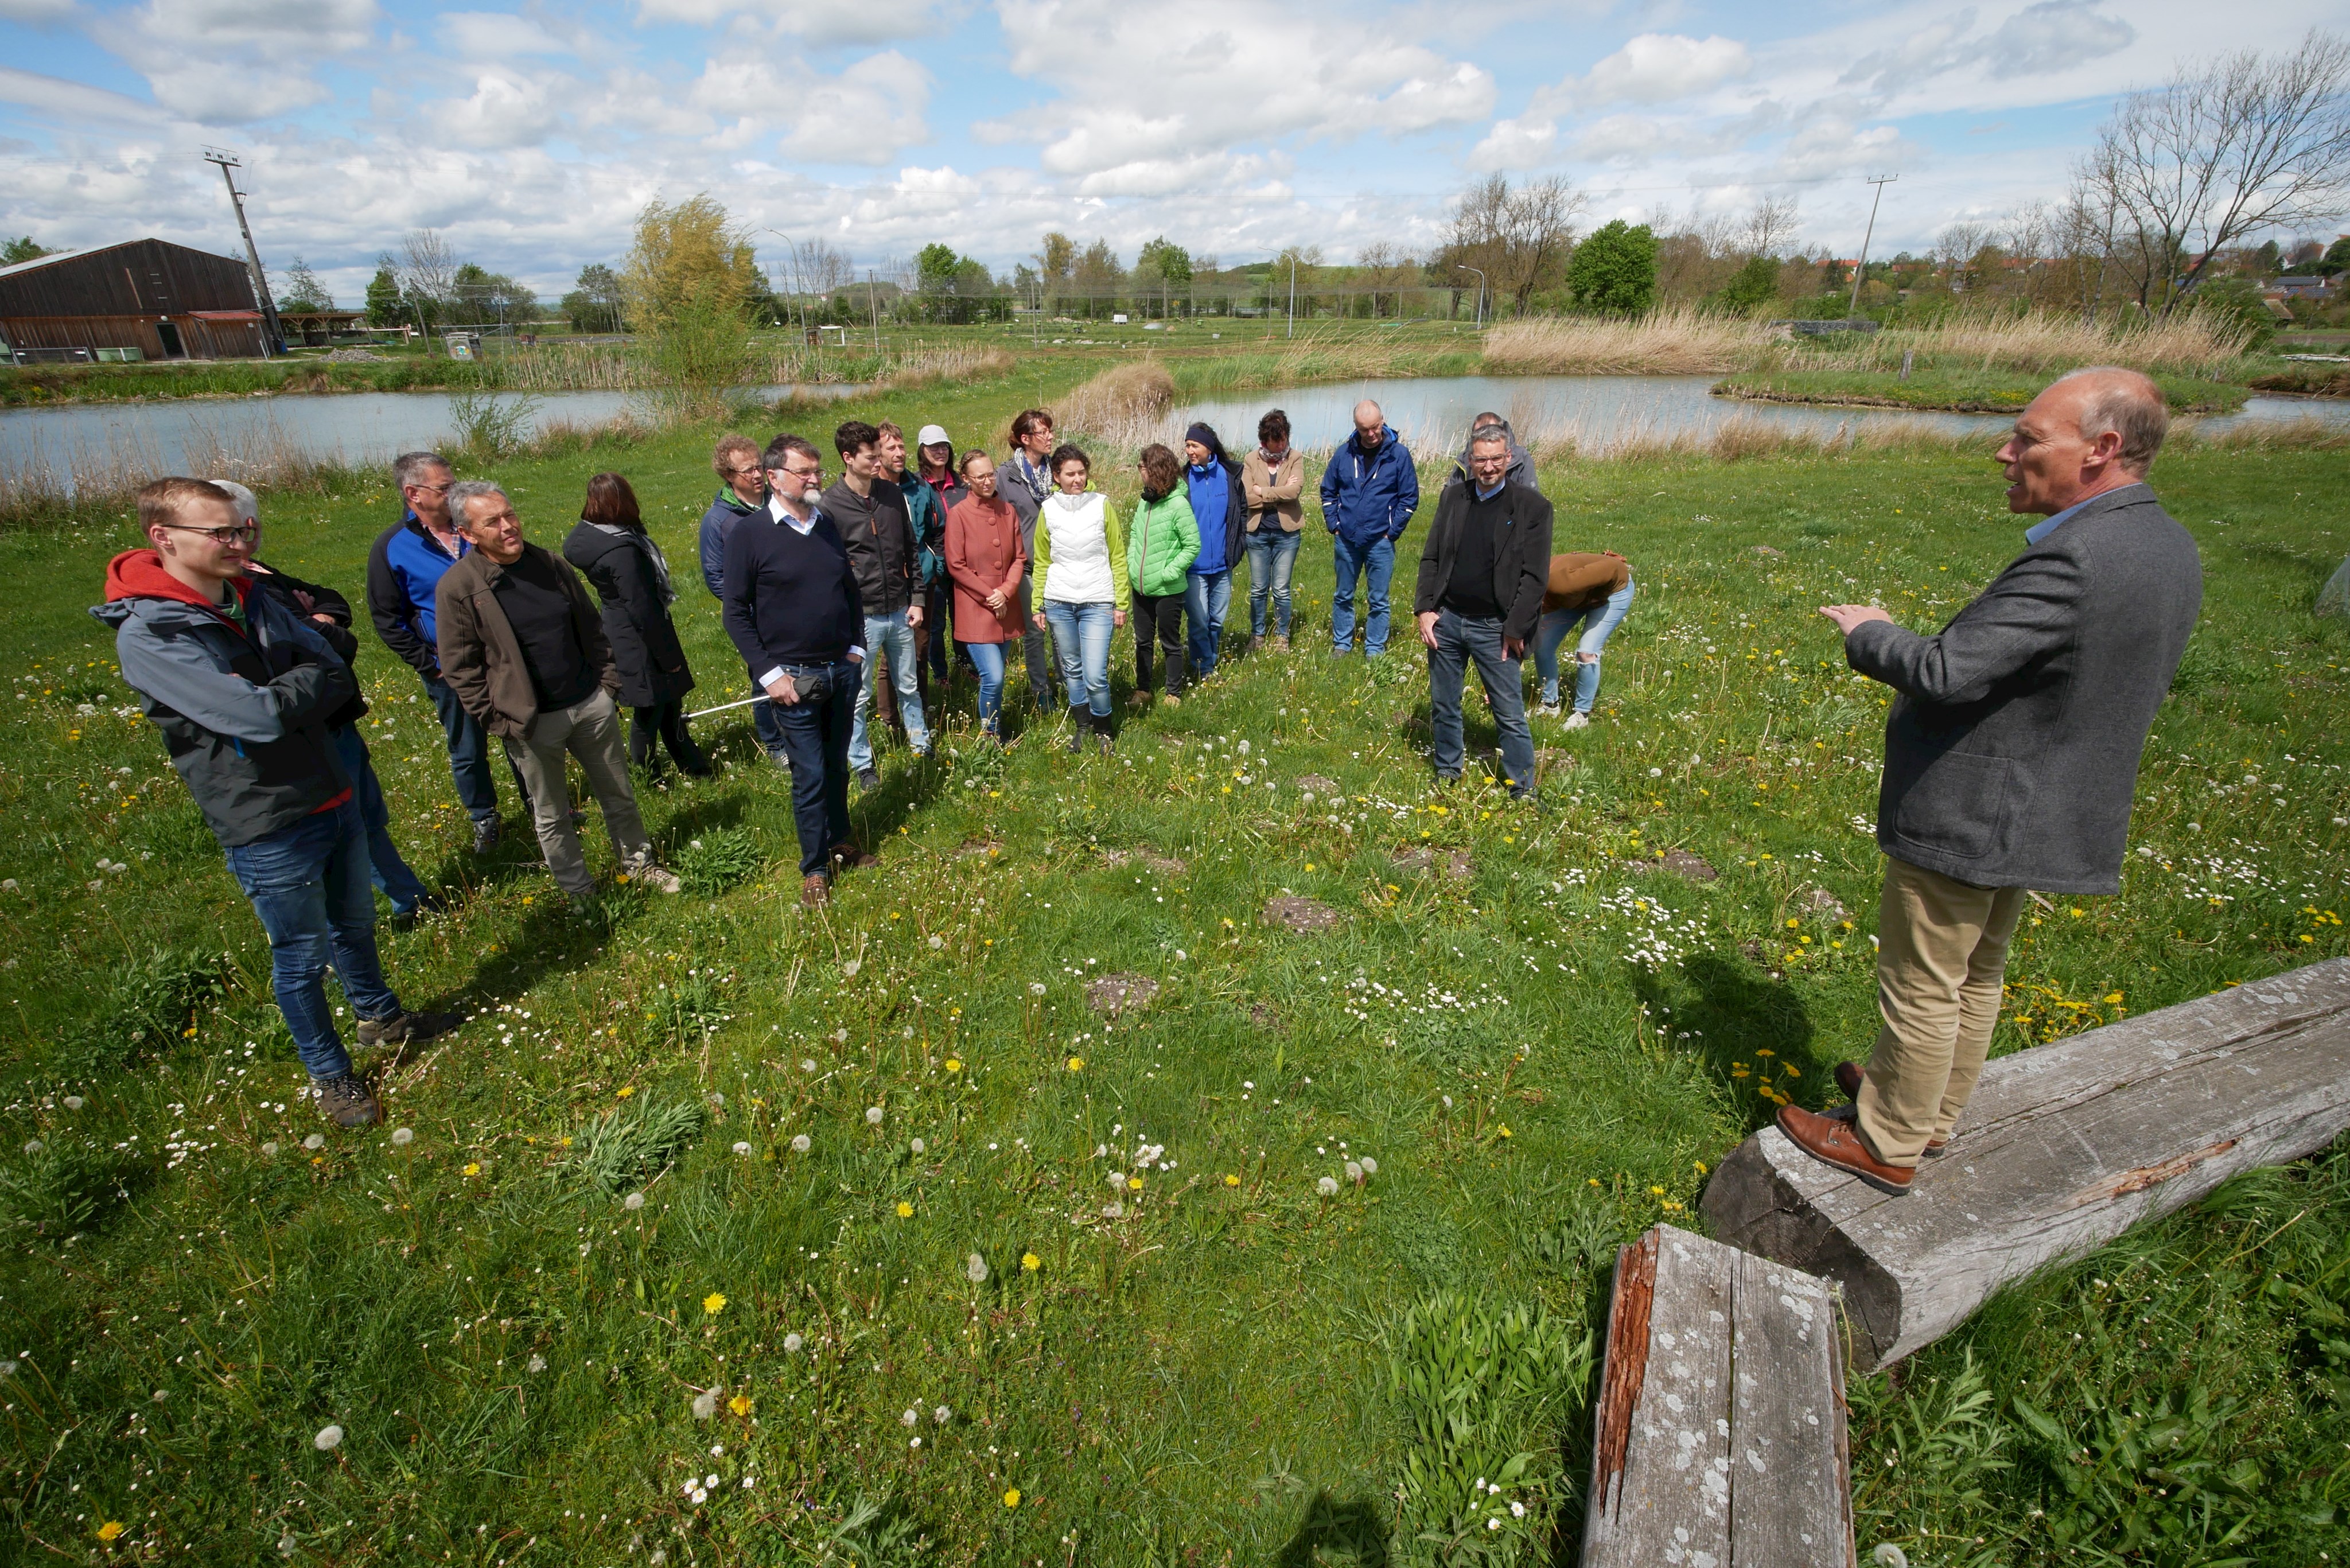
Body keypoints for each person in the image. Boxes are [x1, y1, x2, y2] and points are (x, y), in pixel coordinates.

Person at [1778, 368, 2204, 1197]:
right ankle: (1927, 1113)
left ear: (2102, 449)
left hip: (1975, 807)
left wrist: (1870, 633)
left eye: (2029, 439)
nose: (2005, 453)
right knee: (1977, 971)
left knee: (1923, 980)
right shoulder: (2165, 543)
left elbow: (1944, 670)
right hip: (2046, 802)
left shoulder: (2077, 559)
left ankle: (1888, 1140)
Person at [96, 478, 458, 1129]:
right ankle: (330, 1074)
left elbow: (333, 660)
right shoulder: (152, 633)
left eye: (241, 531)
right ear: (163, 537)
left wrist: (292, 683)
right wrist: (297, 683)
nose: (239, 543)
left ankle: (382, 1018)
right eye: (221, 534)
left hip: (331, 787)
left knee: (355, 924)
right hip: (265, 817)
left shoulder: (249, 594)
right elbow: (256, 716)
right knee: (301, 955)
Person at [434, 481, 682, 911]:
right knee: (551, 815)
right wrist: (501, 721)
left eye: (510, 514)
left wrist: (606, 687)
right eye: (492, 522)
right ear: (468, 534)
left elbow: (591, 626)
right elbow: (460, 668)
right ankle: (579, 891)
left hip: (589, 703)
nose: (509, 526)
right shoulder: (459, 587)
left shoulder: (548, 563)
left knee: (618, 793)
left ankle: (640, 864)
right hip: (529, 721)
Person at [215, 479, 441, 931]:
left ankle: (407, 896)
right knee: (351, 822)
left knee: (369, 814)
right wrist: (318, 624)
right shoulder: (242, 591)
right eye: (235, 531)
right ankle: (403, 904)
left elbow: (333, 600)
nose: (247, 539)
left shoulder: (262, 574)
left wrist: (320, 616)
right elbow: (331, 646)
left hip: (337, 717)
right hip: (310, 727)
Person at [722, 434, 872, 906]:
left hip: (840, 671)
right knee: (808, 772)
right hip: (792, 680)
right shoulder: (748, 534)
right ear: (773, 477)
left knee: (835, 763)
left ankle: (840, 839)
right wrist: (770, 675)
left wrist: (856, 648)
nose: (814, 479)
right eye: (804, 472)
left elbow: (849, 590)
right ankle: (814, 867)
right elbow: (735, 612)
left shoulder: (824, 524)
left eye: (816, 470)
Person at [367, 450, 530, 852]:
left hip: (503, 659)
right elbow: (388, 619)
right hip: (450, 669)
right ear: (413, 493)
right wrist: (434, 666)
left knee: (523, 731)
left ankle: (540, 803)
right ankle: (484, 817)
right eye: (444, 487)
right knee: (467, 748)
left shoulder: (472, 529)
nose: (454, 490)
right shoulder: (392, 547)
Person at [1413, 427, 1552, 801]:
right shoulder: (1453, 497)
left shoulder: (1532, 507)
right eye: (1480, 459)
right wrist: (1425, 608)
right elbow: (1432, 558)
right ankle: (1447, 772)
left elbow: (1536, 578)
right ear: (1469, 461)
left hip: (1497, 628)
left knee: (1508, 712)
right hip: (1448, 620)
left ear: (1510, 458)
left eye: (1496, 459)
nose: (1488, 467)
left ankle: (1522, 789)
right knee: (1444, 705)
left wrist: (1515, 629)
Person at [563, 472, 710, 782]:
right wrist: (667, 658)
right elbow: (641, 608)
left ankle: (692, 764)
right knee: (651, 709)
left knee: (668, 704)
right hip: (639, 638)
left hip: (618, 626)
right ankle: (648, 774)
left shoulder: (590, 537)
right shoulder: (622, 552)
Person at [826, 421, 927, 791]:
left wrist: (916, 599)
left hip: (900, 610)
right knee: (858, 696)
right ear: (848, 458)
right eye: (870, 456)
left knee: (909, 685)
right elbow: (829, 570)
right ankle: (863, 764)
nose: (877, 462)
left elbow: (910, 550)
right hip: (861, 619)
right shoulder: (830, 505)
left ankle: (921, 745)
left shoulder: (889, 494)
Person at [1030, 443, 1129, 754]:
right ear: (1056, 476)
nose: (1077, 480)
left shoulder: (1102, 505)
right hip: (1059, 602)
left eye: (1082, 473)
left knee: (1096, 674)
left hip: (1098, 601)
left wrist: (1121, 602)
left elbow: (1118, 556)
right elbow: (1043, 560)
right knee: (1072, 669)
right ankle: (1083, 727)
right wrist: (1039, 605)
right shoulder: (1048, 509)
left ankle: (1105, 731)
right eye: (1069, 474)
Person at [698, 434, 788, 768]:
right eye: (747, 470)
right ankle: (775, 744)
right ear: (729, 476)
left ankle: (801, 730)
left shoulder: (778, 502)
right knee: (765, 678)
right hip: (756, 616)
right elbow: (717, 579)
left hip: (791, 609)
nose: (756, 474)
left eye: (760, 466)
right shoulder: (720, 522)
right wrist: (757, 601)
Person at [1320, 399, 1420, 656]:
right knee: (1343, 594)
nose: (1372, 434)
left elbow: (1409, 498)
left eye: (1375, 427)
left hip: (1381, 541)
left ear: (1383, 420)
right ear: (1356, 427)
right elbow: (1328, 491)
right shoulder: (1344, 454)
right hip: (1347, 539)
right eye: (1365, 429)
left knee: (1379, 600)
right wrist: (1335, 524)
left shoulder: (1399, 455)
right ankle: (1342, 644)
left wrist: (1392, 532)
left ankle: (1374, 648)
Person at [942, 449, 1028, 743]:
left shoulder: (1008, 511)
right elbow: (956, 565)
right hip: (977, 608)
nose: (988, 480)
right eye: (980, 477)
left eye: (991, 474)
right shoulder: (959, 515)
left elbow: (1019, 557)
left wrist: (1005, 592)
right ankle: (991, 734)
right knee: (994, 676)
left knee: (997, 676)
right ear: (966, 479)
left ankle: (994, 724)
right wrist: (991, 595)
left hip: (1006, 605)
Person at [877, 422, 946, 723]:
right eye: (891, 448)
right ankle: (891, 720)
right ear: (876, 454)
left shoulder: (920, 488)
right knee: (887, 658)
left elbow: (938, 530)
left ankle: (920, 712)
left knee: (920, 649)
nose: (899, 453)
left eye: (902, 446)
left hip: (921, 582)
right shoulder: (871, 491)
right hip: (884, 588)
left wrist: (934, 566)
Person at [1127, 443, 1200, 709]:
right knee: (1143, 641)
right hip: (1141, 586)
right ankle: (1143, 689)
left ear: (1156, 470)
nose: (1140, 472)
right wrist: (1132, 565)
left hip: (1169, 589)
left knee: (1170, 642)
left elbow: (1192, 545)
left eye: (1143, 467)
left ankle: (1173, 693)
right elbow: (1135, 535)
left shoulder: (1178, 504)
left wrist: (1169, 572)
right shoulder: (1145, 502)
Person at [1001, 408, 1060, 710]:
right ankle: (1042, 694)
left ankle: (1067, 686)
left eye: (1051, 431)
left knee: (1063, 630)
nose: (1050, 436)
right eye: (1043, 432)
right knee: (1036, 634)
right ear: (1025, 439)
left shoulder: (1058, 470)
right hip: (1027, 569)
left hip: (1061, 566)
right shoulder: (1006, 476)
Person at [1532, 552, 1634, 726]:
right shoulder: (1533, 594)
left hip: (1613, 594)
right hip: (1575, 598)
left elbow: (1614, 568)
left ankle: (1582, 714)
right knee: (1541, 644)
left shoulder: (1565, 585)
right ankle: (1550, 705)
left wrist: (1596, 598)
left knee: (1587, 652)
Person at [1181, 421, 1246, 682]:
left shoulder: (1231, 476)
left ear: (1208, 447)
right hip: (1193, 568)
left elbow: (1242, 513)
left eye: (1194, 445)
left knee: (1216, 622)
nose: (1189, 450)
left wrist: (1239, 546)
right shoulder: (1182, 480)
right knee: (1199, 622)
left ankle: (1206, 660)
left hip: (1223, 564)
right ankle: (1205, 670)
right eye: (1187, 445)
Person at [1242, 408, 1305, 652]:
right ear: (1264, 440)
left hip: (1287, 534)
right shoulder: (1250, 460)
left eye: (1284, 439)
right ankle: (1257, 637)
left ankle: (1282, 637)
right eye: (1276, 441)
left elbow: (1294, 492)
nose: (1281, 446)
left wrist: (1262, 492)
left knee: (1281, 589)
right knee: (1258, 589)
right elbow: (1246, 499)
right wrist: (1277, 495)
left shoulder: (1296, 458)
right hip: (1257, 533)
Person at [915, 423, 960, 685]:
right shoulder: (917, 486)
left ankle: (966, 665)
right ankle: (941, 674)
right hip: (934, 566)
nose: (940, 451)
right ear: (922, 450)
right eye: (933, 447)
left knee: (962, 619)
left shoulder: (961, 484)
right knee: (935, 625)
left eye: (944, 446)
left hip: (962, 564)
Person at [1442, 413, 1533, 493]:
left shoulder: (1521, 458)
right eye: (1480, 434)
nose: (1488, 469)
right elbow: (1450, 498)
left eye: (1496, 459)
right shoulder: (1463, 460)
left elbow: (1531, 499)